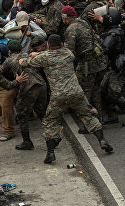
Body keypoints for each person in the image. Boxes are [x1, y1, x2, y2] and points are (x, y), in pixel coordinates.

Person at [21, 34, 113, 163]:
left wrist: (26, 58)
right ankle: (102, 141)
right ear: (62, 44)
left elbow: (26, 63)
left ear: (48, 45)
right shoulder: (69, 53)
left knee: (50, 121)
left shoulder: (45, 57)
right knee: (88, 115)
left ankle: (51, 153)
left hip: (59, 96)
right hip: (76, 92)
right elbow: (55, 54)